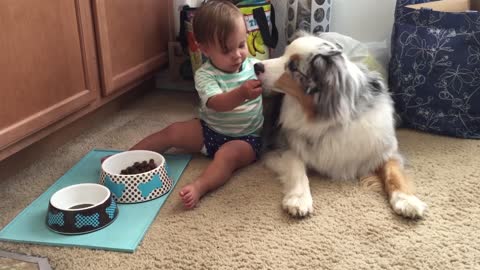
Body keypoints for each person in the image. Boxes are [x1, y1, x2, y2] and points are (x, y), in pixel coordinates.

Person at [129, 0, 264, 209]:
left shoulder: (255, 66)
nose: (237, 55)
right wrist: (242, 93)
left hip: (246, 139)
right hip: (210, 129)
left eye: (241, 45)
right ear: (205, 50)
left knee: (226, 156)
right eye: (227, 50)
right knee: (172, 131)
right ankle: (126, 158)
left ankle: (200, 186)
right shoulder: (204, 75)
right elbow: (217, 104)